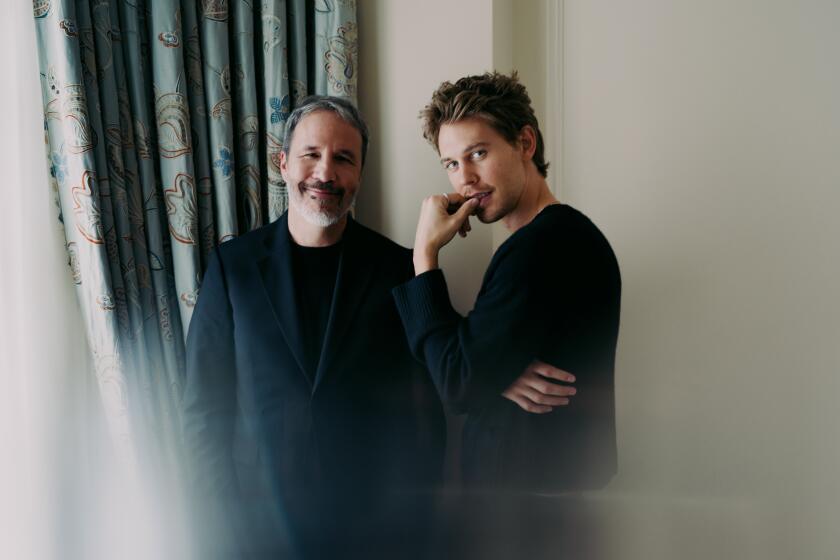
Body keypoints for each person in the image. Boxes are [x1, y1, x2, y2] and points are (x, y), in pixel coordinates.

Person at [181, 96, 446, 559]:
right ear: (283, 163)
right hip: (256, 529)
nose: (326, 173)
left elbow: (428, 402)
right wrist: (219, 521)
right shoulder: (234, 266)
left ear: (360, 174)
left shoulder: (398, 268)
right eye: (311, 154)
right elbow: (204, 407)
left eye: (344, 158)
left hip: (374, 531)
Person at [393, 72, 622, 494]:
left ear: (525, 143)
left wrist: (423, 256)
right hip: (544, 499)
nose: (465, 178)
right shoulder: (557, 237)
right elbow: (474, 369)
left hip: (535, 507)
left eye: (478, 153)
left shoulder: (541, 247)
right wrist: (495, 373)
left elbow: (458, 383)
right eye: (451, 163)